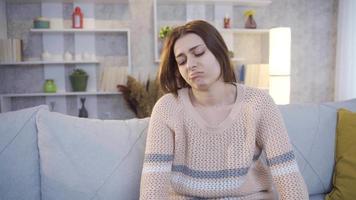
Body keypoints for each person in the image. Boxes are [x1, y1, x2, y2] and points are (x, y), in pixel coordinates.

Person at [139, 20, 309, 199]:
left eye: (199, 53)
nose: (190, 65)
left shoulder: (259, 103)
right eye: (182, 61)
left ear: (219, 52)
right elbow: (153, 187)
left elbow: (288, 176)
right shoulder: (168, 108)